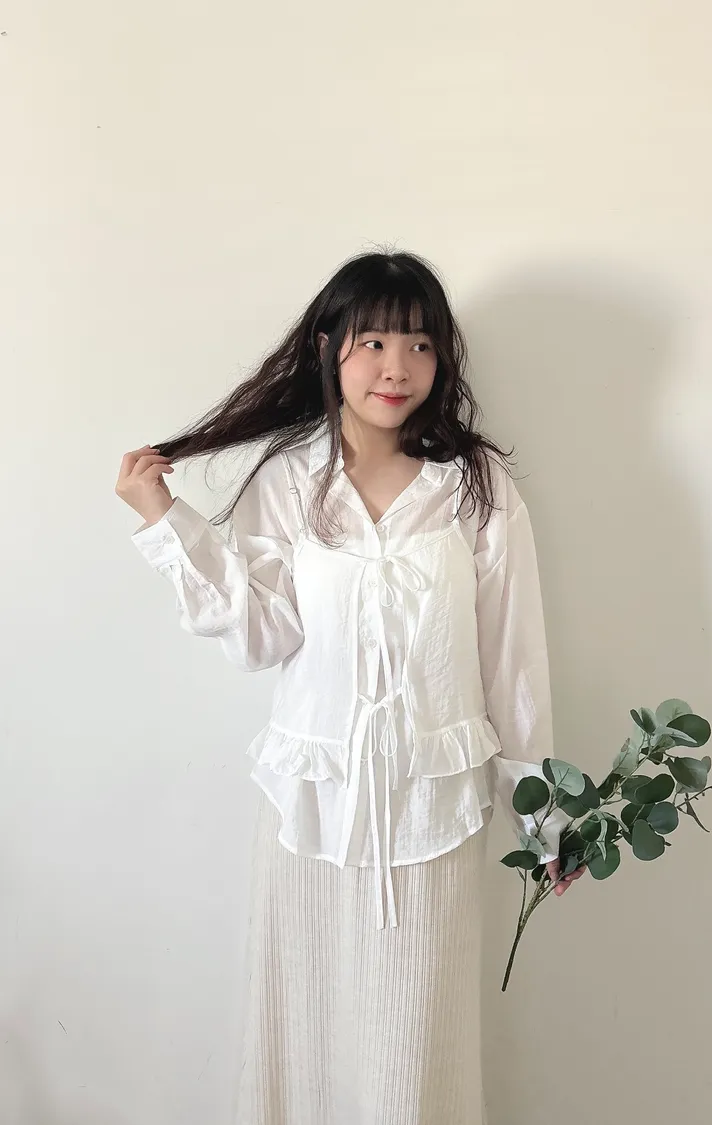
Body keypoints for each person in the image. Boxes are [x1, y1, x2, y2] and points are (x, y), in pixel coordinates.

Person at [116, 250, 583, 1125]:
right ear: (329, 348)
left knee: (418, 1045)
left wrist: (544, 809)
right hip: (311, 811)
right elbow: (262, 635)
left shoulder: (473, 487)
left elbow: (513, 658)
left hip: (433, 814)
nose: (396, 367)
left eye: (419, 344)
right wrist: (164, 521)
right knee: (301, 1038)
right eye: (373, 342)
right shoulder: (290, 484)